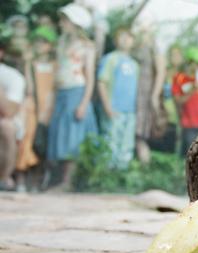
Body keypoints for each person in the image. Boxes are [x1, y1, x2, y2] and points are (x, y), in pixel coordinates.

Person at [46, 3, 98, 191]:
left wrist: (84, 103)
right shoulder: (61, 42)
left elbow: (90, 77)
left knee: (72, 137)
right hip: (61, 93)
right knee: (59, 135)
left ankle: (67, 182)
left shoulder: (87, 46)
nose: (61, 23)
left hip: (77, 92)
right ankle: (58, 179)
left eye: (64, 20)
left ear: (75, 22)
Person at [16, 26, 58, 192]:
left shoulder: (55, 65)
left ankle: (38, 180)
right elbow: (29, 88)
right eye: (38, 41)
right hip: (32, 108)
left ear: (51, 45)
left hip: (49, 109)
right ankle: (22, 179)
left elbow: (55, 88)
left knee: (44, 145)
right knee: (27, 141)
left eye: (44, 42)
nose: (40, 45)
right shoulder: (31, 64)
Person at [97, 27, 139, 169]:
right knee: (111, 141)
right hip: (114, 108)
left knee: (126, 143)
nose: (125, 39)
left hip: (130, 110)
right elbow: (102, 82)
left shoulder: (135, 64)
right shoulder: (111, 59)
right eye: (121, 36)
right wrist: (107, 106)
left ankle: (121, 173)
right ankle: (107, 173)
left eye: (129, 37)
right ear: (116, 40)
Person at [133, 18, 166, 163]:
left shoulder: (155, 45)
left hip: (146, 93)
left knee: (140, 134)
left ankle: (144, 167)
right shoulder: (136, 45)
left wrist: (154, 95)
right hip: (134, 92)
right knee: (133, 132)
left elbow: (161, 71)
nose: (142, 27)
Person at [0, 36, 26, 191]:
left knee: (6, 126)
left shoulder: (13, 77)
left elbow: (9, 112)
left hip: (6, 120)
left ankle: (4, 178)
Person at [172, 47, 198, 156]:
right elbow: (178, 101)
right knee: (190, 154)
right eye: (196, 64)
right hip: (189, 124)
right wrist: (192, 90)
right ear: (189, 62)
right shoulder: (179, 78)